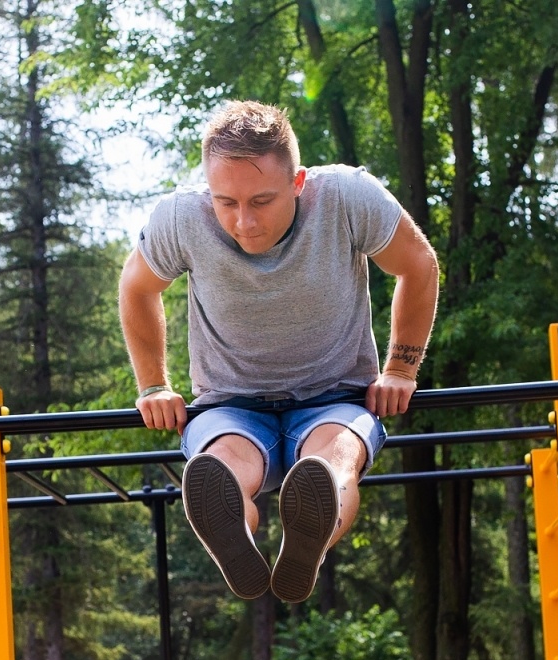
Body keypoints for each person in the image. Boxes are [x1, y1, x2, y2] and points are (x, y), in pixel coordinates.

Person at [120, 100, 439, 602]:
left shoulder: (347, 197)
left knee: (333, 460)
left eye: (261, 201)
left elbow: (418, 264)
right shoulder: (181, 216)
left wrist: (401, 368)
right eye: (226, 202)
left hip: (336, 395)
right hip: (229, 402)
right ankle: (237, 541)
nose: (244, 221)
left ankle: (306, 536)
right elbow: (137, 287)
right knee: (221, 466)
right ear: (208, 187)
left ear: (298, 182)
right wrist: (154, 384)